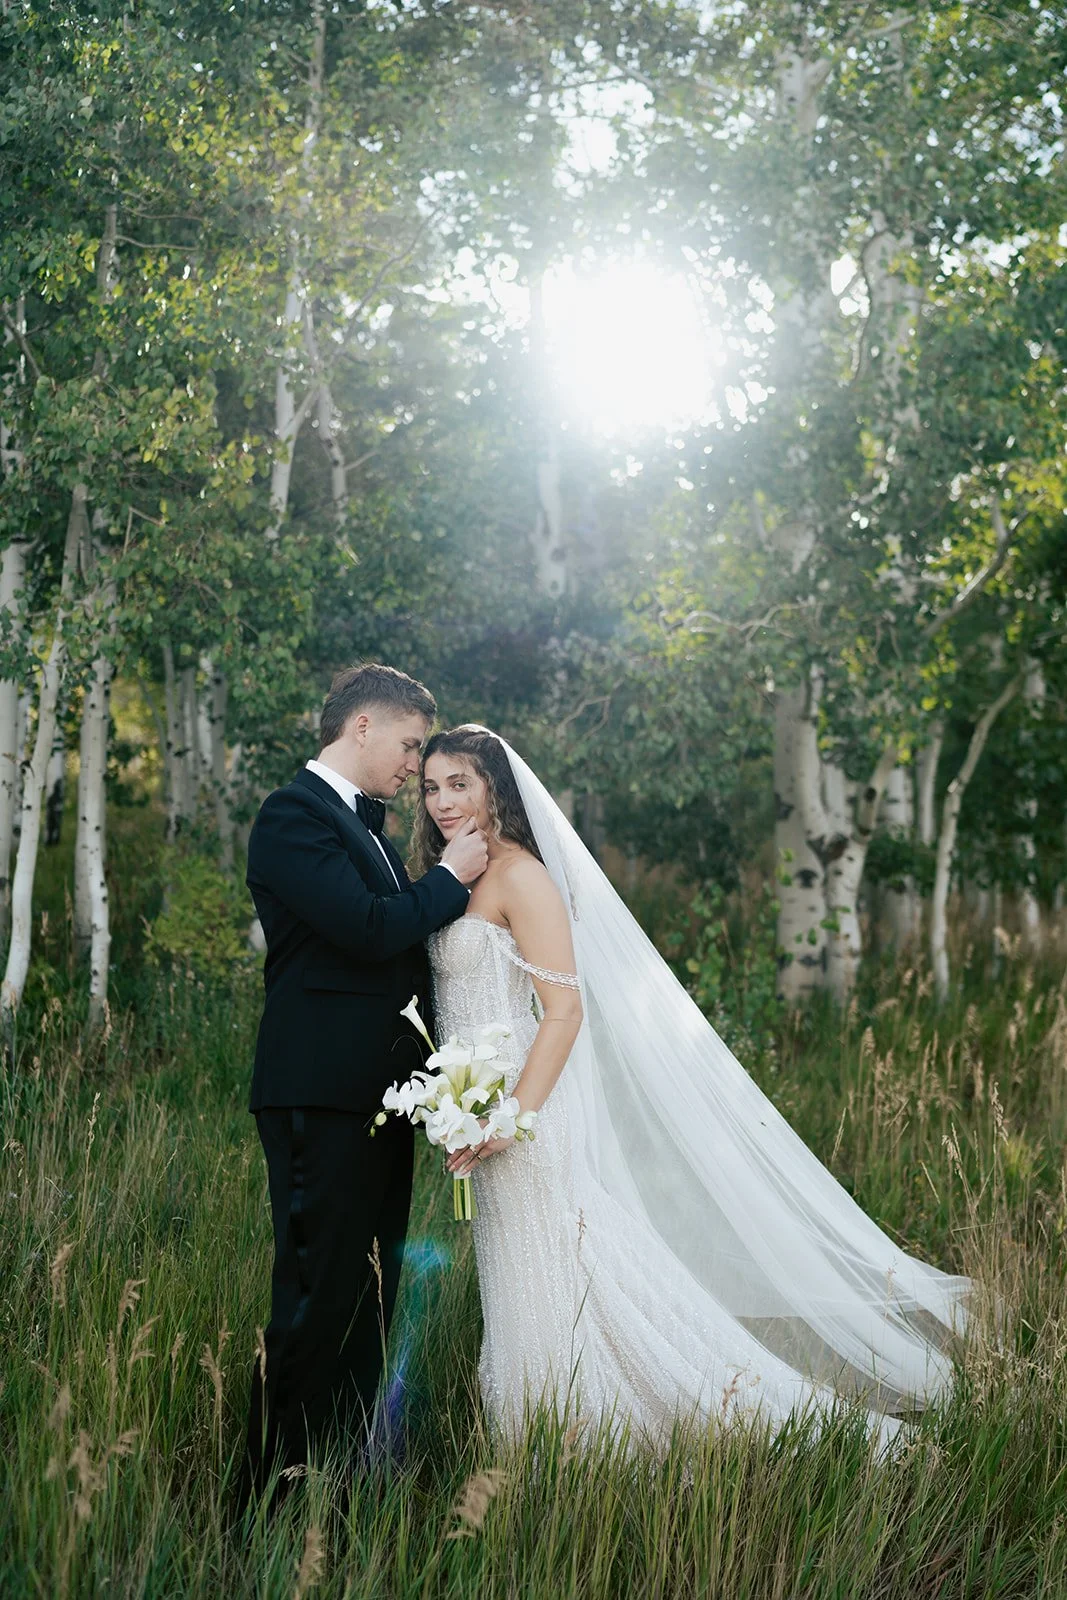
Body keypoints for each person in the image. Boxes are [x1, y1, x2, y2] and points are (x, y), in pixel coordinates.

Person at [413, 725, 970, 1450]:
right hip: (478, 1106)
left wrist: (510, 1117)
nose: (442, 801)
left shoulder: (521, 875)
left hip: (526, 1112)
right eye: (430, 787)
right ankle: (540, 1426)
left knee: (560, 1264)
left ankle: (588, 1429)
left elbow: (564, 1011)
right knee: (525, 1274)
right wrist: (456, 1100)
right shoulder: (456, 875)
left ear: (496, 786)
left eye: (460, 783)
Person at [240, 665, 487, 1506]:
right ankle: (269, 1500)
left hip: (381, 1101)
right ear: (363, 727)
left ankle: (339, 1485)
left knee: (365, 1301)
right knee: (315, 1297)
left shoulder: (374, 834)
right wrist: (450, 879)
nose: (414, 768)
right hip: (319, 1094)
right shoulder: (292, 817)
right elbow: (368, 931)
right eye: (411, 745)